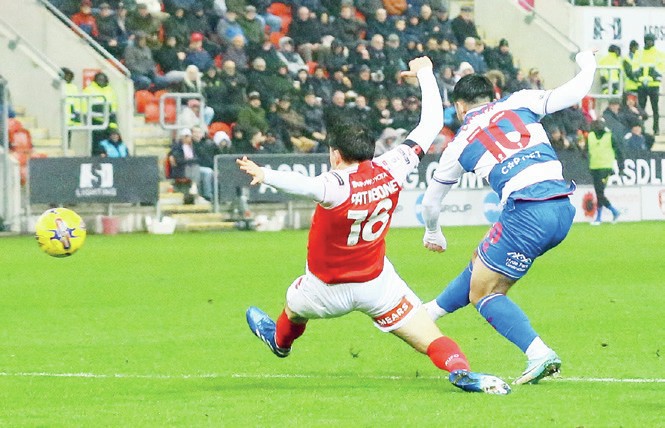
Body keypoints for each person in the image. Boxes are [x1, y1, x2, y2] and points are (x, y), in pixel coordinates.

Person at [238, 56, 511, 396]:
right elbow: (430, 124)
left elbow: (303, 185)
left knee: (293, 310)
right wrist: (426, 74)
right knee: (430, 337)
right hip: (377, 284)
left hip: (324, 290)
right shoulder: (392, 166)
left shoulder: (334, 185)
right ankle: (462, 370)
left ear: (335, 154)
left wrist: (266, 174)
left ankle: (280, 343)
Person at [420, 50, 598, 385]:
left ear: (459, 107)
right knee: (482, 260)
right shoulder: (520, 100)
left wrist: (433, 232)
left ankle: (538, 353)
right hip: (561, 207)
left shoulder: (458, 145)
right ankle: (430, 312)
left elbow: (431, 201)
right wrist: (587, 61)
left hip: (527, 211)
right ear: (493, 95)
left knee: (484, 293)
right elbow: (575, 91)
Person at [586, 119, 623, 225]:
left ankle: (612, 212)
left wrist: (621, 166)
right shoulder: (590, 136)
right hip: (594, 167)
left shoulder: (610, 136)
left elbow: (618, 152)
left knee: (599, 193)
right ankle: (603, 216)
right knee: (599, 193)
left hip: (605, 168)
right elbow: (586, 150)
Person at [632, 33, 664, 135]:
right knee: (641, 108)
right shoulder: (639, 53)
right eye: (647, 40)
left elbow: (661, 68)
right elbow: (635, 67)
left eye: (651, 41)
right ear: (644, 41)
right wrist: (639, 77)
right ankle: (641, 128)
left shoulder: (659, 53)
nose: (649, 42)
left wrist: (652, 76)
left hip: (654, 85)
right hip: (641, 85)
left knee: (655, 108)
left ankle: (656, 129)